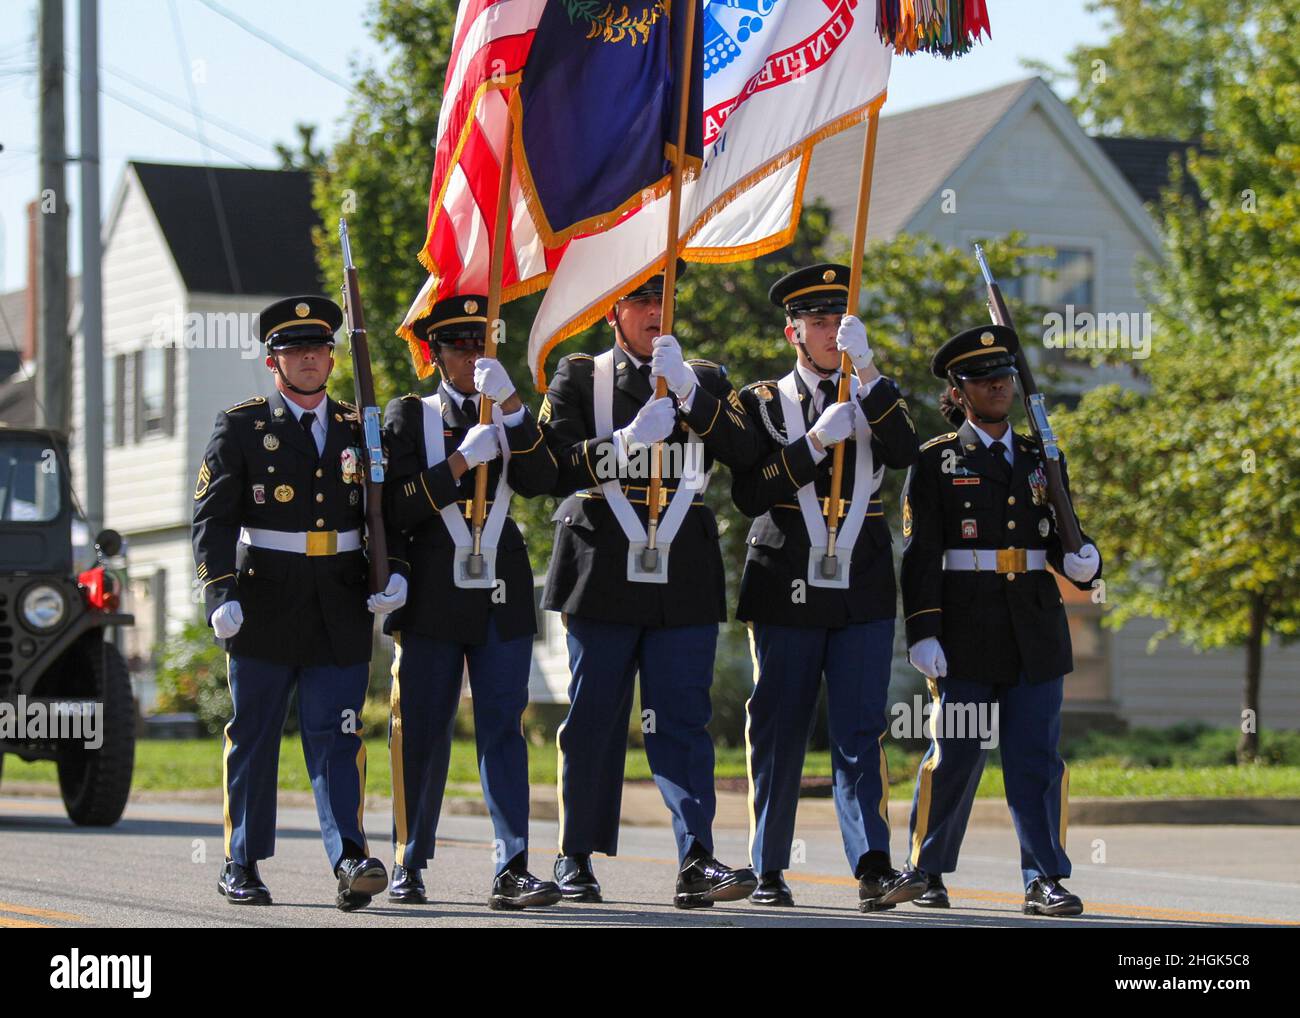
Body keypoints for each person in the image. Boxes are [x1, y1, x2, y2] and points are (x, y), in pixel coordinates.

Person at [539, 266, 763, 908]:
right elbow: (551, 468)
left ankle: (697, 857)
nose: (654, 311)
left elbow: (747, 457)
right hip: (604, 563)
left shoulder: (708, 378)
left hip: (681, 569)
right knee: (594, 718)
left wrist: (695, 396)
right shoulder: (581, 376)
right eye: (640, 300)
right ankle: (575, 855)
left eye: (662, 300)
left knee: (684, 721)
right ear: (614, 312)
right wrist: (622, 443)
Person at [192, 294, 405, 911]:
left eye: (318, 348)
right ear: (272, 362)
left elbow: (387, 514)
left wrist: (396, 574)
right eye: (294, 350)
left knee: (339, 734)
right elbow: (212, 520)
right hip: (264, 596)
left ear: (334, 358)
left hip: (338, 598)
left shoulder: (357, 425)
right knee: (254, 734)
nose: (309, 359)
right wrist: (218, 590)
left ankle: (350, 858)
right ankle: (241, 861)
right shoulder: (242, 425)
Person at [730, 263, 924, 912]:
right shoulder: (762, 402)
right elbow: (750, 491)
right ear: (793, 331)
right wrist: (814, 441)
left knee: (860, 728)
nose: (832, 333)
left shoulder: (876, 391)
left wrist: (868, 373)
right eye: (818, 322)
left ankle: (872, 866)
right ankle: (768, 867)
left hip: (861, 579)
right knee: (779, 726)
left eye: (840, 321)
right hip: (786, 572)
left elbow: (906, 452)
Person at [900, 324, 1102, 917]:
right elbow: (919, 555)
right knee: (957, 753)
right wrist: (923, 631)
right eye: (983, 379)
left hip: (1035, 628)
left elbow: (1064, 535)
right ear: (958, 392)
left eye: (1004, 376)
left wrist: (1086, 563)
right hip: (964, 629)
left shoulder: (1042, 456)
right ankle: (927, 868)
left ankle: (1044, 877)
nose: (997, 386)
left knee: (1036, 759)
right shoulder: (936, 460)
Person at [379, 294, 562, 910]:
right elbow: (396, 507)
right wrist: (459, 462)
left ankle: (512, 865)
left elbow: (541, 482)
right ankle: (409, 857)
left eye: (481, 343)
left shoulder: (508, 414)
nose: (474, 355)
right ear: (436, 356)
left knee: (502, 730)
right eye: (460, 345)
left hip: (500, 589)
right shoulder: (410, 417)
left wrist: (513, 408)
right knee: (423, 730)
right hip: (433, 591)